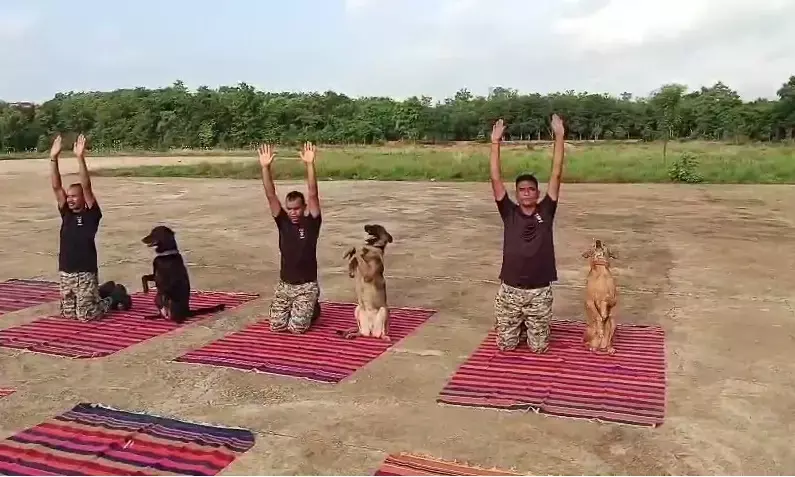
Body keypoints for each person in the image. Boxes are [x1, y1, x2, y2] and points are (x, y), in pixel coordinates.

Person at [489, 115, 566, 353]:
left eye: (531, 189)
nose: (526, 193)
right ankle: (512, 324)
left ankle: (531, 325)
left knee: (539, 348)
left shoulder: (546, 210)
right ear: (516, 193)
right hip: (511, 290)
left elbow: (556, 175)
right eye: (521, 190)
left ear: (537, 192)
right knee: (506, 347)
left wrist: (560, 136)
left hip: (539, 292)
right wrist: (495, 143)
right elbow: (495, 178)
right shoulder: (509, 212)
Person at [50, 134, 130, 321]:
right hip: (66, 271)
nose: (69, 199)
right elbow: (56, 187)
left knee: (87, 315)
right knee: (68, 314)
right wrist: (53, 158)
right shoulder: (66, 214)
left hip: (85, 271)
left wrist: (80, 158)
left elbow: (87, 187)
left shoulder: (90, 215)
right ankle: (102, 290)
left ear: (83, 200)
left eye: (74, 196)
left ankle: (115, 295)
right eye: (68, 196)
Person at [258, 141, 323, 334]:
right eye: (290, 209)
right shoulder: (283, 222)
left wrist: (309, 164)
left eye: (296, 208)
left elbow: (313, 193)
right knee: (276, 327)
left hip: (306, 285)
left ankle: (313, 307)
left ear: (303, 208)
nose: (293, 212)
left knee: (297, 328)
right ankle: (297, 307)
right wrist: (265, 168)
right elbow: (270, 195)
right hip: (285, 284)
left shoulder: (311, 222)